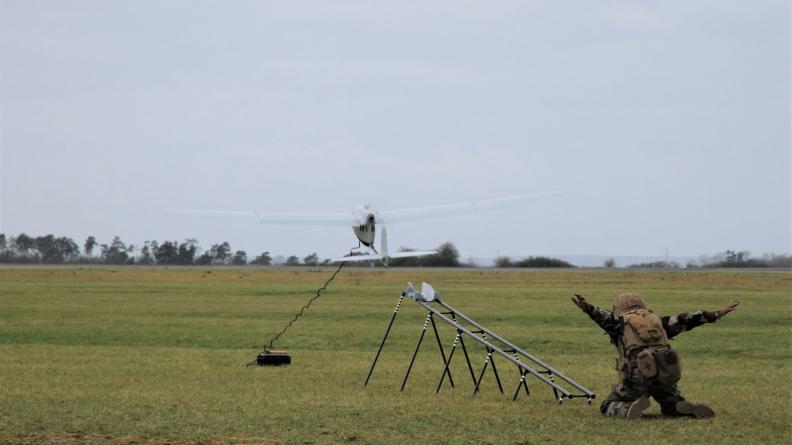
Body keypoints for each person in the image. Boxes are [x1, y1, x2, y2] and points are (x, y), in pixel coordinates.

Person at [571, 292, 740, 419]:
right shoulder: (657, 321)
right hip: (666, 375)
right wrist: (715, 314)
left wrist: (588, 308)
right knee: (670, 402)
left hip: (637, 377)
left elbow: (604, 317)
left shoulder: (620, 323)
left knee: (607, 405)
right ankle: (676, 406)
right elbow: (686, 320)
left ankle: (628, 409)